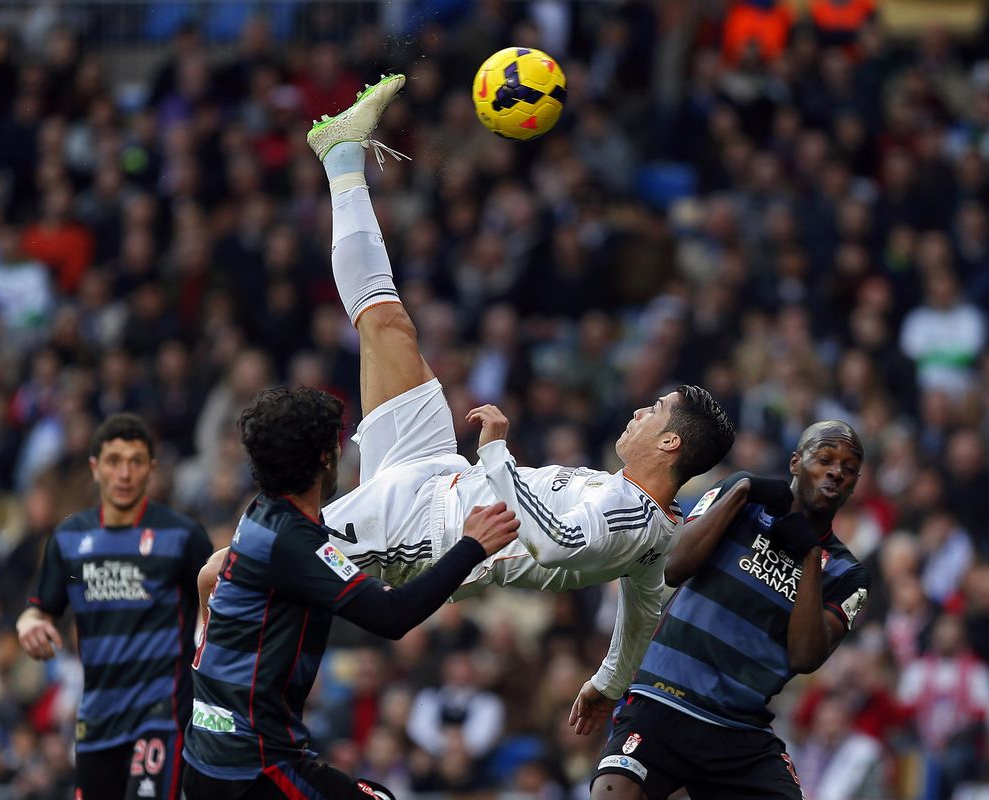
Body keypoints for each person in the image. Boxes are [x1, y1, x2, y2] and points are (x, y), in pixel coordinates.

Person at [260, 73, 732, 723]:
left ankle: (191, 641)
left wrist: (498, 452)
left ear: (672, 442)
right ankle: (343, 155)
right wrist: (610, 682)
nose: (638, 411)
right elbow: (643, 615)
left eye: (654, 412)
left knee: (257, 559)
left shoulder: (632, 518)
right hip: (436, 477)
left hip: (421, 532)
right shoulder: (654, 530)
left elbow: (549, 540)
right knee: (388, 325)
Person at [181, 386, 520, 799]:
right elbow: (391, 616)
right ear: (326, 457)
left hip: (207, 754)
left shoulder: (260, 516)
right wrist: (472, 546)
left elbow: (209, 575)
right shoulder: (292, 540)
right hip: (253, 766)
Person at [591, 420, 871, 799]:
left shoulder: (847, 574)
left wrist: (809, 558)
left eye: (849, 468)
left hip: (738, 732)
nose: (836, 472)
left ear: (854, 484)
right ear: (795, 463)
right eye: (825, 459)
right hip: (662, 699)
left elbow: (805, 656)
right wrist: (740, 492)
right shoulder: (741, 497)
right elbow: (673, 568)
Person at [16, 413, 213, 800]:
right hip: (97, 718)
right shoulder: (70, 537)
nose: (124, 474)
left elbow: (216, 608)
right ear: (95, 467)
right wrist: (28, 625)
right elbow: (39, 608)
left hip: (162, 715)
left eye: (136, 462)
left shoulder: (182, 535)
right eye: (114, 461)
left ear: (151, 469)